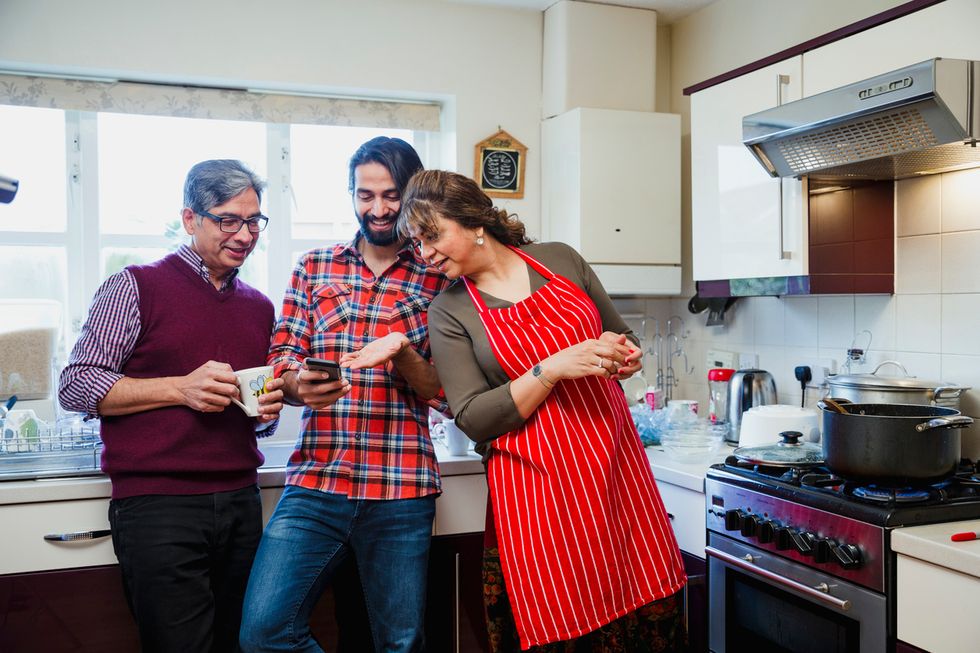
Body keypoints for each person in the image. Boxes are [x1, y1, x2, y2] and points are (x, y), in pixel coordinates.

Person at [400, 170, 689, 652]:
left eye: (432, 235)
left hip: (618, 473)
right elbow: (472, 415)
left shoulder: (560, 259)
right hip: (539, 494)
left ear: (473, 221)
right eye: (417, 242)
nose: (425, 252)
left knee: (645, 612)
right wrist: (548, 370)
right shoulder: (449, 310)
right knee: (563, 623)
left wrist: (627, 356)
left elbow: (622, 337)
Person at [58, 159, 286, 653]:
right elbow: (76, 386)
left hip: (242, 501)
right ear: (190, 219)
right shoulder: (135, 285)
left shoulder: (260, 307)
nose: (245, 234)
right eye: (228, 220)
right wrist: (179, 388)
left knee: (241, 643)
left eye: (254, 221)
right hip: (158, 506)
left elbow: (252, 419)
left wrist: (267, 410)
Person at [240, 137, 452, 653]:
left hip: (401, 488)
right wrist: (295, 385)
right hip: (316, 483)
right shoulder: (314, 267)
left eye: (391, 195)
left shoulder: (441, 275)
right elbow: (282, 360)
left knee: (400, 645)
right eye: (365, 195)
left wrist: (402, 352)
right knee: (264, 633)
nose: (377, 209)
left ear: (414, 196)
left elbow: (448, 394)